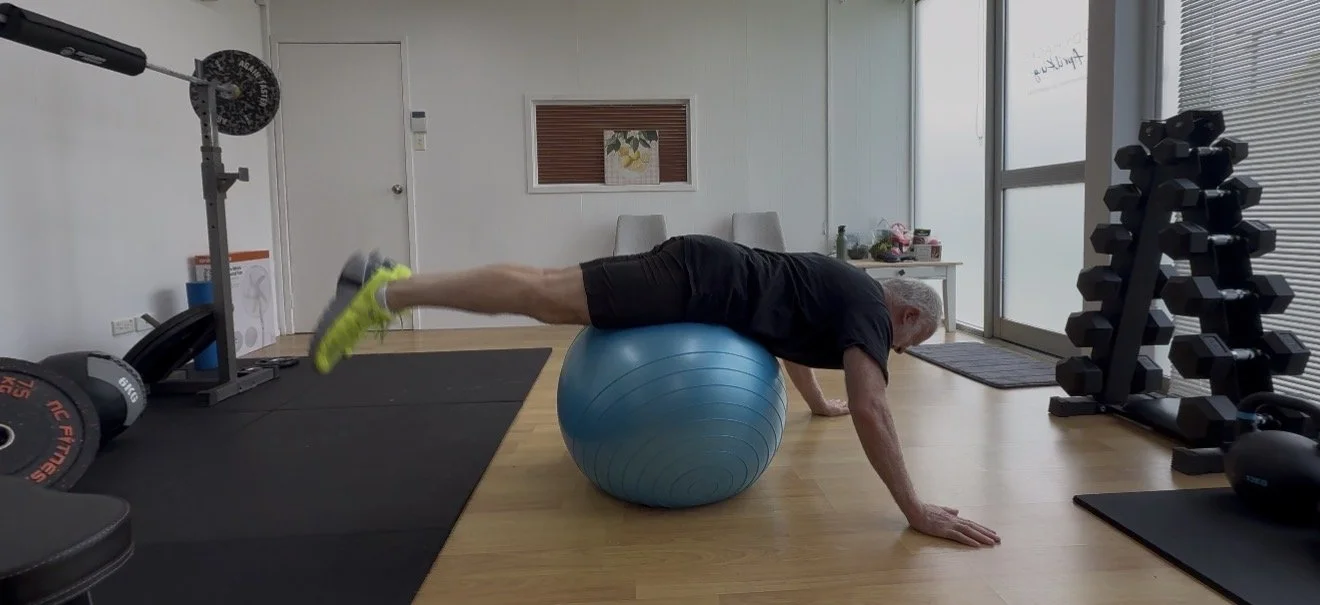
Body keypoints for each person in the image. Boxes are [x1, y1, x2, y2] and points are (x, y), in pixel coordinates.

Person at [307, 234, 1000, 548]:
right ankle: (386, 291)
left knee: (548, 288)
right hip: (699, 279)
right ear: (906, 314)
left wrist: (817, 404)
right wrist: (915, 509)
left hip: (707, 269)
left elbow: (789, 339)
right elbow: (874, 405)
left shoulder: (843, 293)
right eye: (903, 348)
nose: (890, 356)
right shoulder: (870, 310)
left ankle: (393, 281)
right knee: (550, 297)